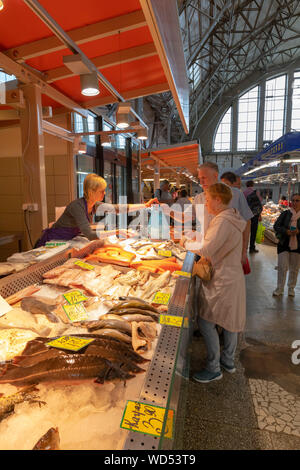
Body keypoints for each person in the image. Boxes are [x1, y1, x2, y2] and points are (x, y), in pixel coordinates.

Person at [189, 183, 246, 383]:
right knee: (230, 322)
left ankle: (214, 368)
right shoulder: (234, 216)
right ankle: (228, 361)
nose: (205, 203)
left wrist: (184, 243)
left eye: (207, 199)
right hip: (232, 276)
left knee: (205, 321)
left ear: (218, 200)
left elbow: (206, 249)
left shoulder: (222, 221)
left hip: (222, 279)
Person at [35, 173, 158, 247]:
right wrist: (116, 231)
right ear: (91, 191)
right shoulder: (77, 206)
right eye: (102, 191)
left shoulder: (94, 204)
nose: (105, 193)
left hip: (66, 242)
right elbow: (90, 235)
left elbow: (117, 209)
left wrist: (145, 205)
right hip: (52, 243)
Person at [273, 193, 300, 297]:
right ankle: (279, 288)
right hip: (284, 243)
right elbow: (276, 226)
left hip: (297, 246)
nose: (295, 203)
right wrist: (286, 231)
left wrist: (298, 231)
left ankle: (291, 288)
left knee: (295, 268)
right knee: (282, 267)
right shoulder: (285, 213)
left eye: (297, 200)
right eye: (293, 200)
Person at [243, 180, 263, 254]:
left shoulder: (243, 192)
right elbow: (259, 201)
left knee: (245, 231)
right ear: (253, 184)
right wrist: (259, 215)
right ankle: (252, 248)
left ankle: (244, 248)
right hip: (254, 214)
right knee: (253, 231)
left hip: (246, 214)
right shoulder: (255, 191)